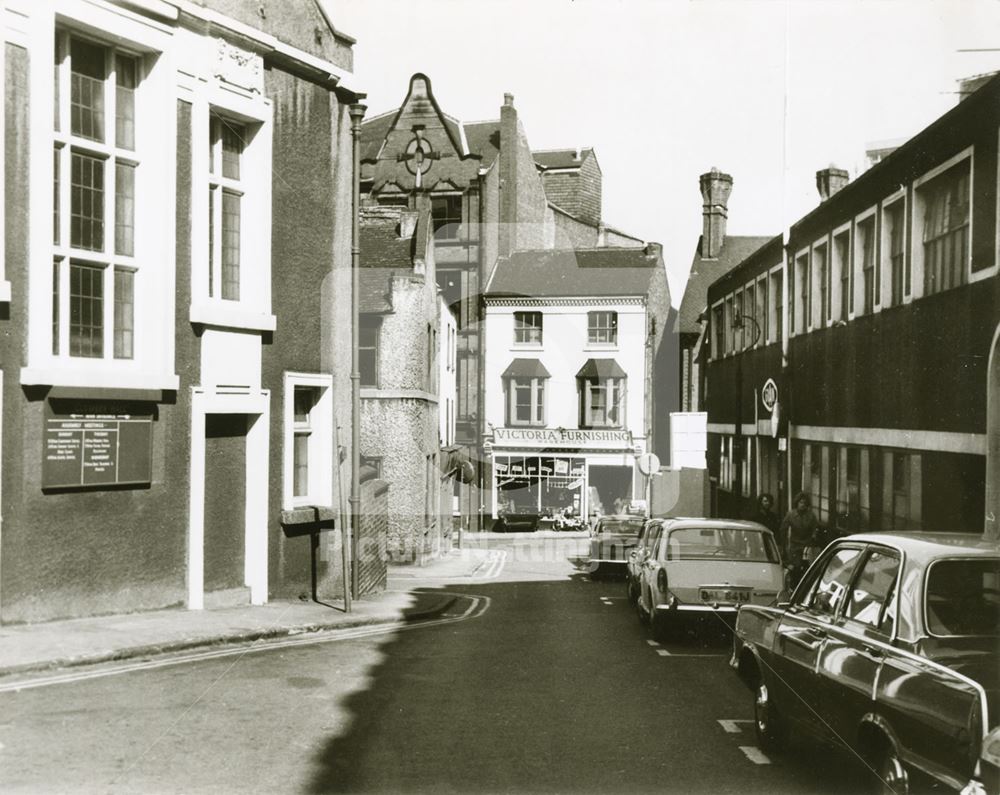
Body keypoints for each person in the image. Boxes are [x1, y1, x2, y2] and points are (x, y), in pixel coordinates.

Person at [779, 492, 821, 584]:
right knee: (795, 568)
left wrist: (813, 536)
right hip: (795, 545)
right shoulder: (791, 515)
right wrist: (784, 544)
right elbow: (783, 529)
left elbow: (815, 528)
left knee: (807, 568)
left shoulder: (811, 516)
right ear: (797, 503)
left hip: (807, 545)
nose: (802, 505)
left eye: (805, 503)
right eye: (801, 502)